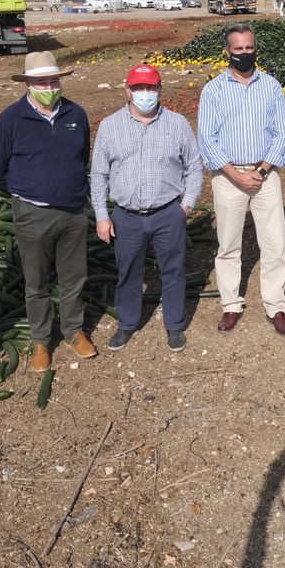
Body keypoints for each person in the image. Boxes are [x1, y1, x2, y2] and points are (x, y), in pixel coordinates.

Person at [0, 51, 97, 372]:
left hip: (73, 211)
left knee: (74, 276)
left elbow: (82, 157)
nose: (49, 86)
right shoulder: (9, 120)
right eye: (41, 82)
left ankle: (74, 331)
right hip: (32, 214)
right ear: (28, 84)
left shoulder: (76, 113)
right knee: (36, 282)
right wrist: (29, 190)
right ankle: (40, 340)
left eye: (53, 80)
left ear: (60, 80)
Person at [91, 63, 203, 352]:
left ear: (159, 89)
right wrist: (102, 216)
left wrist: (186, 205)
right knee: (128, 271)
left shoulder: (177, 124)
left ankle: (174, 325)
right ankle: (127, 324)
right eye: (138, 88)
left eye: (150, 87)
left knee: (173, 270)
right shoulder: (110, 126)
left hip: (168, 213)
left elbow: (194, 167)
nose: (145, 93)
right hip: (126, 216)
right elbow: (99, 174)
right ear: (127, 90)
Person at [196, 23, 285, 335]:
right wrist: (236, 175)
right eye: (238, 49)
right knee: (228, 244)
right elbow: (207, 139)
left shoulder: (271, 86)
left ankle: (276, 305)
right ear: (228, 52)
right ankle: (230, 304)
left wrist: (261, 172)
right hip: (228, 176)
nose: (244, 54)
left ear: (255, 49)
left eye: (249, 48)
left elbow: (282, 133)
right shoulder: (213, 90)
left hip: (265, 175)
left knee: (275, 242)